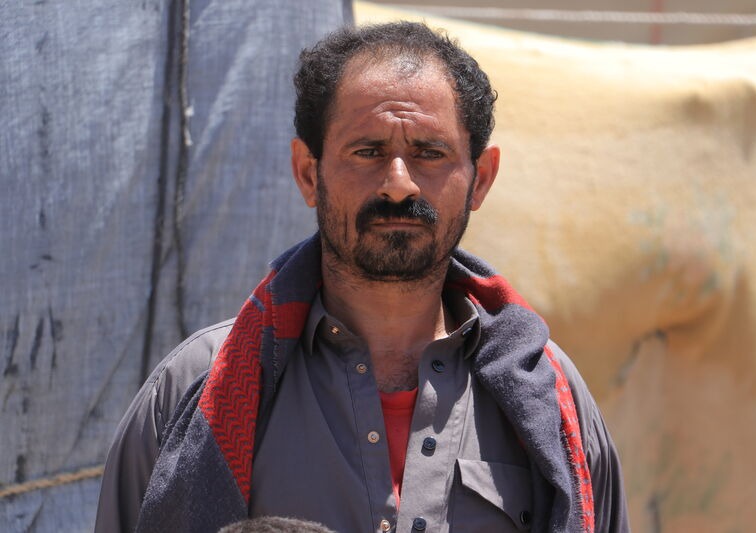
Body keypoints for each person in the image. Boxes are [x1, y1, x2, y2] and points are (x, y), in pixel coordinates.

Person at [96, 21, 629, 533]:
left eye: (430, 153)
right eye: (368, 152)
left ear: (480, 180)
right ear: (309, 173)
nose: (399, 185)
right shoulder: (195, 391)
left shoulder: (548, 397)